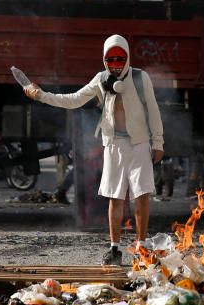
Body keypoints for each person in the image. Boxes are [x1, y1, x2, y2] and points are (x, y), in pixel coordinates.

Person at [23, 34, 164, 266]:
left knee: (142, 196)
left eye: (121, 58)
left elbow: (154, 111)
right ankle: (114, 248)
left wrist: (158, 142)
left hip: (139, 143)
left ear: (128, 57)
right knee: (115, 197)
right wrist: (42, 96)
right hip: (114, 145)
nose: (116, 64)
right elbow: (74, 100)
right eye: (111, 59)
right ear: (104, 60)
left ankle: (142, 246)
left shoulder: (140, 78)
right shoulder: (101, 80)